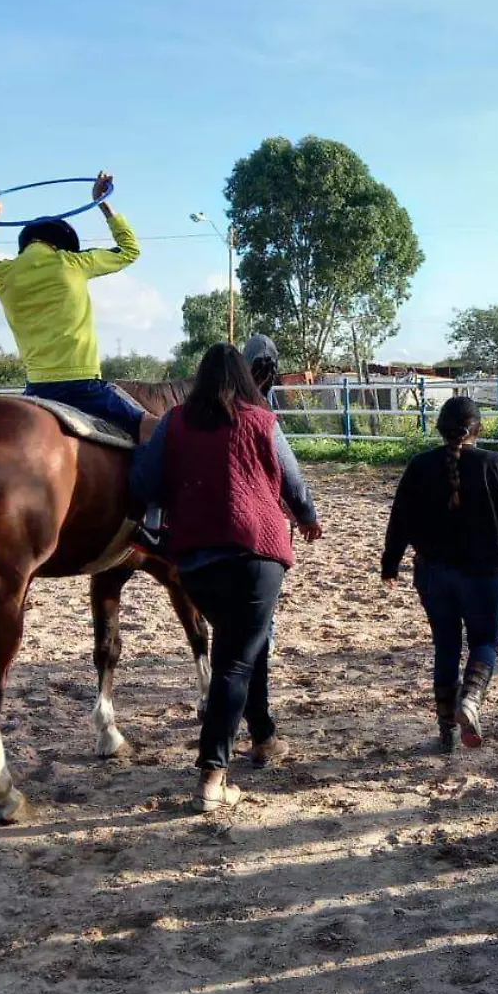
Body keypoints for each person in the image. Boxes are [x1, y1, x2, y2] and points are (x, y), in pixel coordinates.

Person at [129, 343, 321, 810]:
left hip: (195, 560)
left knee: (240, 648)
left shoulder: (174, 422)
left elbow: (145, 484)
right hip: (258, 556)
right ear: (245, 376)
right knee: (236, 661)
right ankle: (213, 776)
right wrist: (308, 517)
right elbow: (293, 482)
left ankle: (263, 738)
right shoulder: (262, 421)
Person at [0, 171, 157, 442]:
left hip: (38, 390)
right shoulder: (74, 263)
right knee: (154, 430)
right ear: (63, 244)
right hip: (85, 386)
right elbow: (129, 250)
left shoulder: (2, 274)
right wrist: (103, 203)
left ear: (26, 243)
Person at [381, 397, 498, 753]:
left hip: (432, 573)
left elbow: (399, 519)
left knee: (446, 645)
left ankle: (446, 730)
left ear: (439, 427)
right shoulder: (495, 465)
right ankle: (472, 698)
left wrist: (391, 564)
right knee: (485, 642)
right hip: (482, 573)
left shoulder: (419, 466)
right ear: (477, 428)